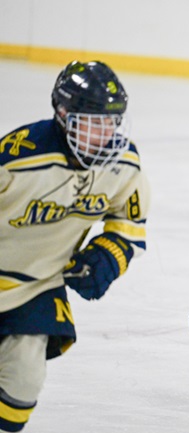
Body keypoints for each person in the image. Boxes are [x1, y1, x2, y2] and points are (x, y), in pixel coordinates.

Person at [0, 60, 149, 431]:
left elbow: (129, 222)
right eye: (94, 123)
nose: (106, 134)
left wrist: (107, 257)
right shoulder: (17, 160)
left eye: (112, 122)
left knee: (23, 383)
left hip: (36, 285)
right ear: (64, 115)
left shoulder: (124, 165)